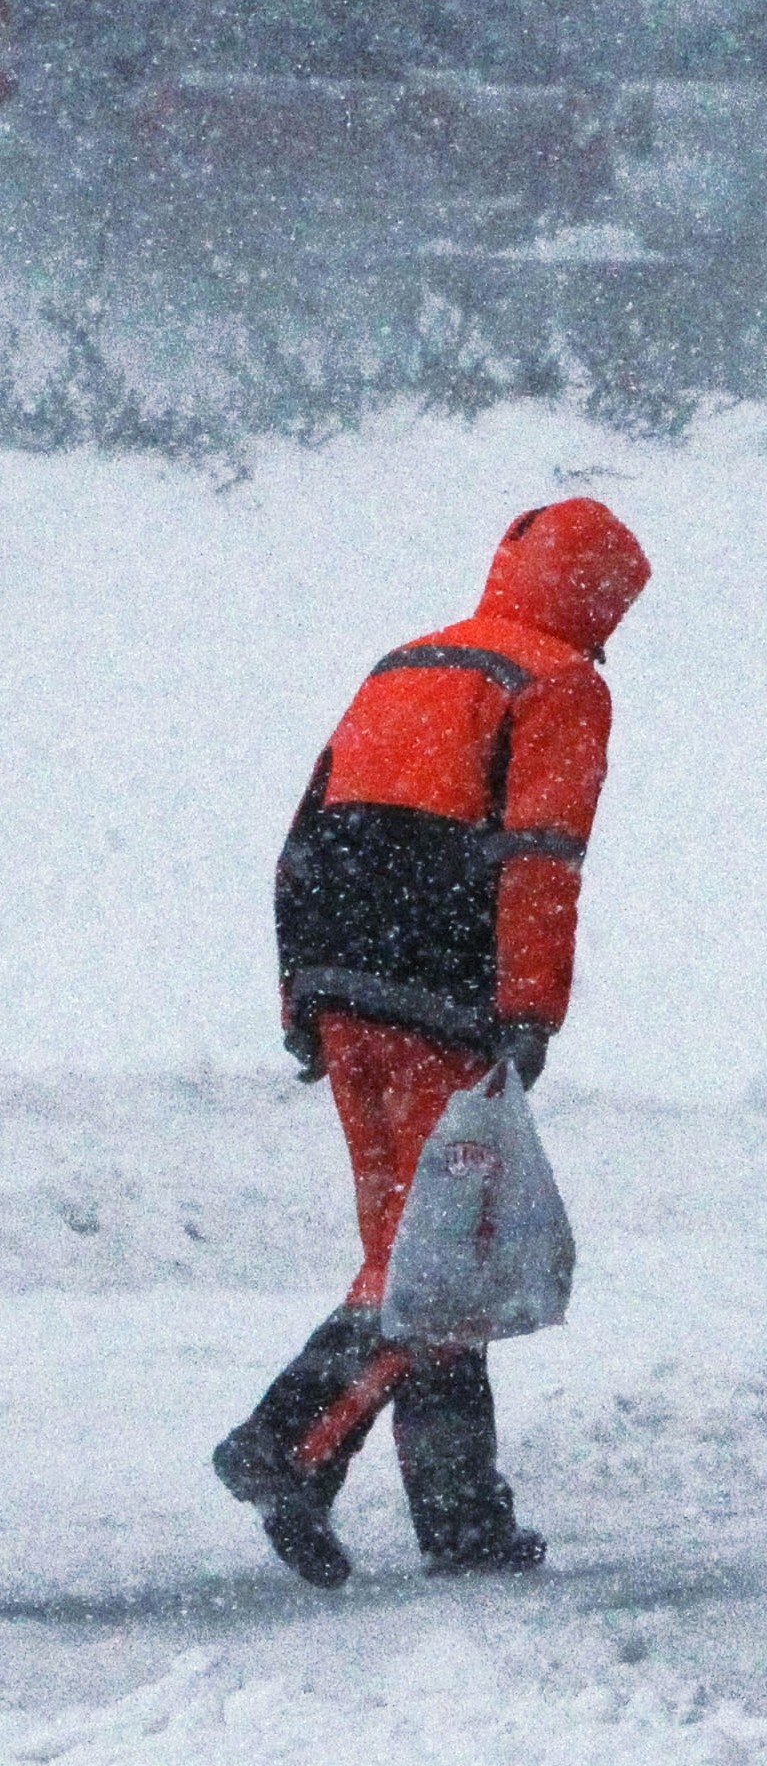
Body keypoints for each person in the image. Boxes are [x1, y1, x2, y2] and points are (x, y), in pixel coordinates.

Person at [213, 498, 650, 1589]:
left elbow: (304, 837)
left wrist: (299, 997)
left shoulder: (408, 661)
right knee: (434, 1266)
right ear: (599, 594)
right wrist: (528, 1009)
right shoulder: (560, 684)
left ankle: (462, 1522)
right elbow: (541, 860)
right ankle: (286, 1445)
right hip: (437, 998)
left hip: (347, 991)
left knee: (415, 1249)